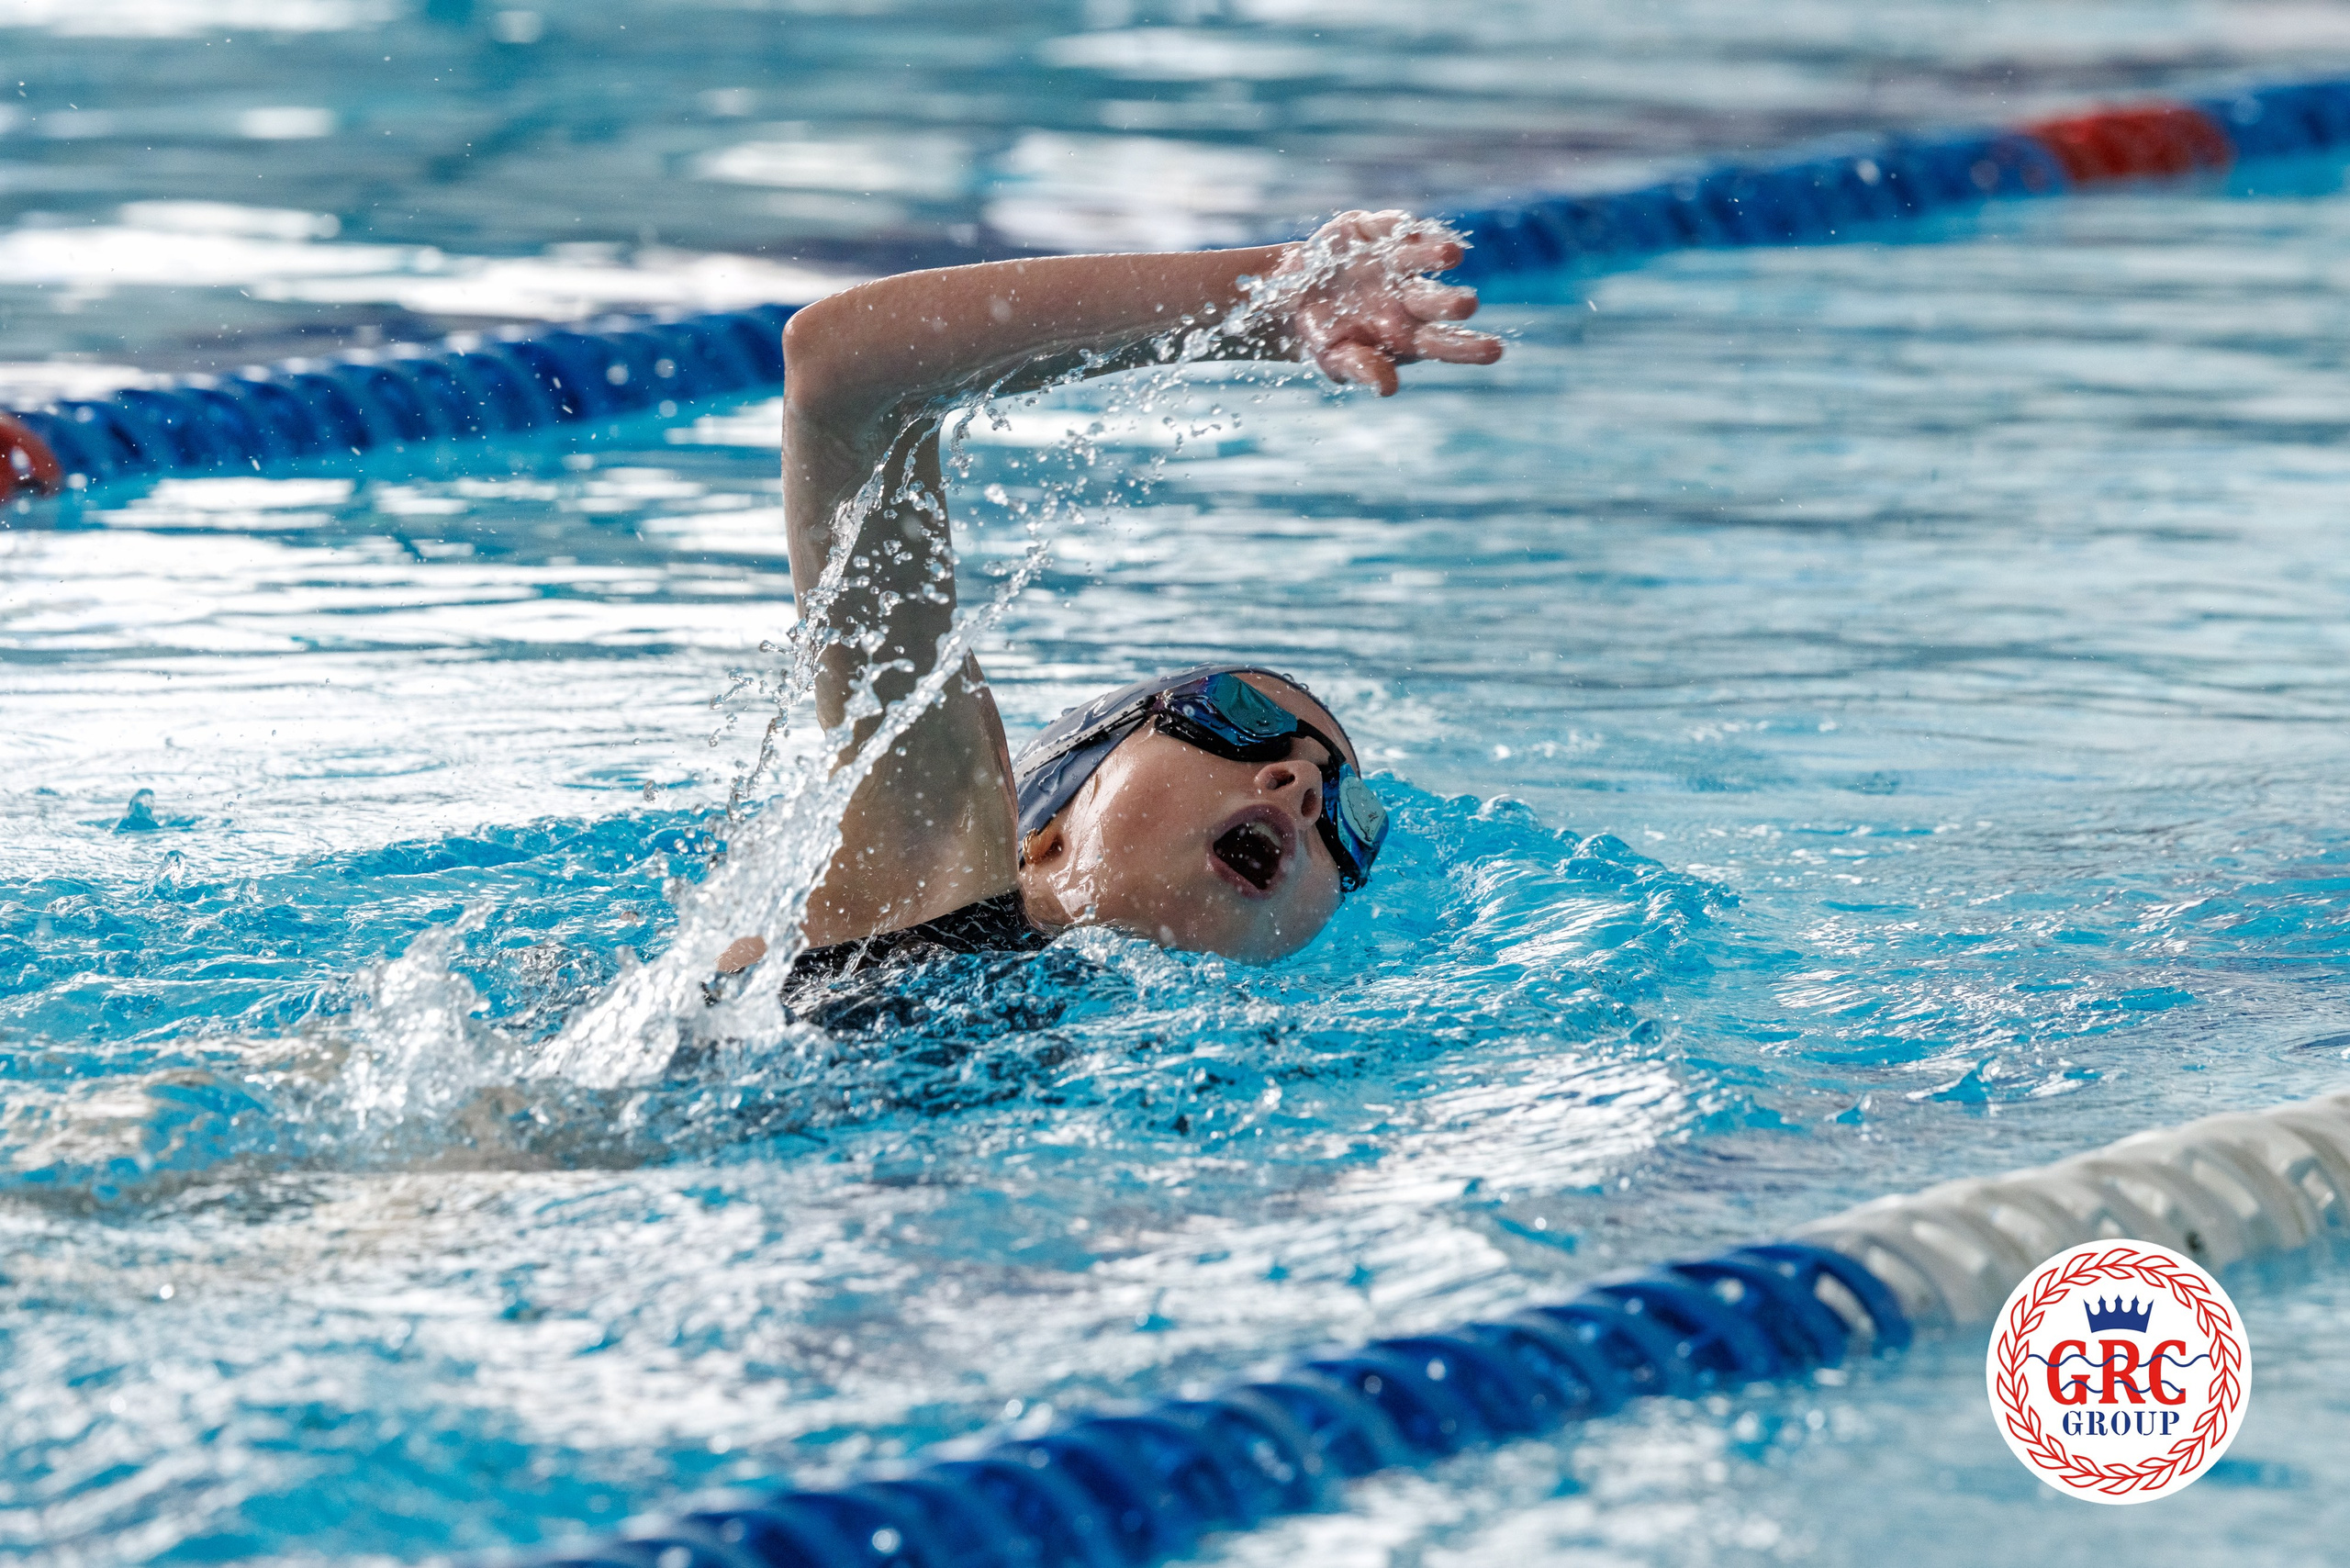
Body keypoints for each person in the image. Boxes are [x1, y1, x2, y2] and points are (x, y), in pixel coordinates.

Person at [716, 211, 1505, 991]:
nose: (1298, 790)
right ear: (1048, 824)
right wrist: (1263, 297)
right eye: (1232, 718)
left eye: (1349, 815)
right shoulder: (932, 886)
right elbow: (846, 377)